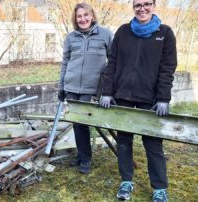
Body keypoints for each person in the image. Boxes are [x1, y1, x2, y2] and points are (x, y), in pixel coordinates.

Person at [100, 0, 177, 201]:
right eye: (137, 5)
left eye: (147, 4)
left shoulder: (165, 33)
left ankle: (159, 188)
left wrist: (163, 98)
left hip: (149, 100)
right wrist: (107, 92)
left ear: (154, 5)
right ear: (132, 7)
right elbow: (112, 63)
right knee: (124, 142)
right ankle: (126, 181)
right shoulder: (123, 31)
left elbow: (167, 69)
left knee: (153, 144)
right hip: (122, 96)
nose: (142, 8)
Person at [58, 2, 113, 174]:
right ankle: (82, 156)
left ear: (92, 15)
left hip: (91, 89)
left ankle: (86, 159)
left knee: (84, 123)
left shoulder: (105, 35)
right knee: (76, 123)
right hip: (72, 86)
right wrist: (62, 87)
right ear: (75, 19)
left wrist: (107, 89)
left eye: (85, 15)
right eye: (79, 16)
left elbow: (114, 62)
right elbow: (65, 63)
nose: (82, 19)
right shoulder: (71, 37)